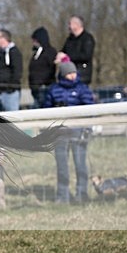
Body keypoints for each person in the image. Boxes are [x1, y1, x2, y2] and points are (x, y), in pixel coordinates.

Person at [43, 61, 95, 204]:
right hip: (60, 133)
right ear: (63, 74)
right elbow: (46, 109)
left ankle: (81, 194)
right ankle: (62, 196)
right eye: (69, 73)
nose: (72, 75)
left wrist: (87, 128)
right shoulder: (54, 90)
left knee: (80, 164)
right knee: (62, 167)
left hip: (78, 132)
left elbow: (90, 109)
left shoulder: (82, 89)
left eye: (74, 72)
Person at [0, 29, 23, 112]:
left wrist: (11, 87)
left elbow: (17, 71)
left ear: (4, 38)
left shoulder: (14, 52)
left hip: (9, 94)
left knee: (11, 119)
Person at [60, 15, 95, 86]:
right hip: (68, 75)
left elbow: (86, 56)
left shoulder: (87, 38)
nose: (68, 26)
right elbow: (64, 51)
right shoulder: (69, 39)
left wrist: (67, 56)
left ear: (77, 24)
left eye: (70, 24)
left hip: (82, 76)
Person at [28, 27, 57, 108]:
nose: (33, 42)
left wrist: (43, 82)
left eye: (35, 40)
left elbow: (51, 69)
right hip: (35, 88)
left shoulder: (50, 51)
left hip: (45, 88)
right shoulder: (36, 53)